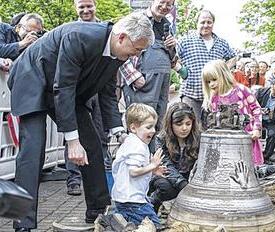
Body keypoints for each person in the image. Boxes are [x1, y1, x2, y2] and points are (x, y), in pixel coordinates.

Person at [7, 12, 154, 231]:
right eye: (137, 49)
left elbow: (107, 93)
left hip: (65, 90)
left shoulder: (117, 54)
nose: (137, 55)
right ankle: (22, 224)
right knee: (32, 150)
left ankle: (99, 211)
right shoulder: (80, 36)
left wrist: (119, 132)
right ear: (122, 37)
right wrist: (72, 141)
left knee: (92, 144)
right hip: (33, 79)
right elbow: (63, 85)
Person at [119, 0, 177, 144]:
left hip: (162, 82)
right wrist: (133, 76)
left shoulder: (167, 25)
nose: (164, 7)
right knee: (140, 124)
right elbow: (118, 48)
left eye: (169, 4)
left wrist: (171, 48)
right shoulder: (137, 19)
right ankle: (135, 162)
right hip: (143, 83)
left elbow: (173, 61)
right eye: (162, 2)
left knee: (158, 125)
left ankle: (152, 161)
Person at [63, 0, 105, 196]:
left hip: (99, 90)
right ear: (75, 8)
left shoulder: (105, 29)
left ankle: (98, 179)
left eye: (89, 6)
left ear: (95, 5)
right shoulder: (70, 31)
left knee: (98, 133)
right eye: (81, 6)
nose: (86, 10)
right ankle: (74, 179)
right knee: (72, 133)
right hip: (77, 91)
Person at [111, 103, 166, 228]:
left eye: (154, 127)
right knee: (154, 226)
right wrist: (153, 165)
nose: (153, 130)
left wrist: (153, 171)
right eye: (148, 127)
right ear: (134, 128)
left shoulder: (134, 142)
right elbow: (133, 171)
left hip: (127, 198)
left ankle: (117, 220)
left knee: (133, 222)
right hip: (132, 200)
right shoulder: (137, 146)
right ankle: (113, 222)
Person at [202, 59, 263, 166]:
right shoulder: (214, 99)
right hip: (226, 143)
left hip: (246, 138)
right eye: (208, 81)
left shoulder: (241, 90)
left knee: (249, 170)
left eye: (214, 79)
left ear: (224, 75)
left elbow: (256, 109)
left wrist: (256, 128)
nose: (211, 84)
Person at [178, 10, 236, 119]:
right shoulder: (185, 41)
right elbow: (172, 57)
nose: (206, 25)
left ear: (213, 24)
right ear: (197, 23)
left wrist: (222, 71)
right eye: (202, 22)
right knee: (190, 129)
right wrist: (181, 70)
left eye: (209, 22)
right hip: (191, 94)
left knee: (214, 129)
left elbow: (234, 57)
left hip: (215, 96)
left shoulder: (222, 43)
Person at [150, 102, 200, 212]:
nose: (184, 128)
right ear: (170, 124)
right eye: (179, 124)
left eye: (188, 124)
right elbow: (166, 165)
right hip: (166, 176)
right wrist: (183, 185)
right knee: (166, 187)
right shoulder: (161, 139)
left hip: (189, 177)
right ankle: (153, 204)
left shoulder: (199, 138)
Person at [255, 80, 275, 163]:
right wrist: (260, 111)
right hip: (257, 119)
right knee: (252, 133)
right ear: (271, 87)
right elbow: (252, 105)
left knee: (273, 135)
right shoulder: (261, 92)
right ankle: (252, 155)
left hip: (271, 121)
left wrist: (271, 114)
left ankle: (265, 157)